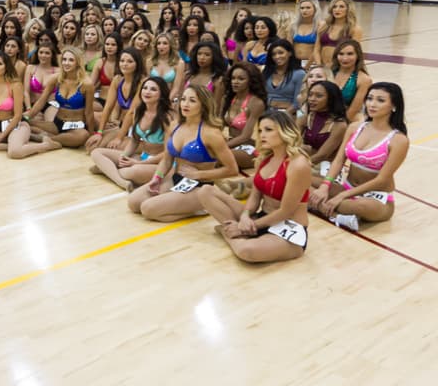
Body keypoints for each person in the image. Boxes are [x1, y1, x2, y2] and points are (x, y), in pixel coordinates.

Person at [199, 110, 311, 263]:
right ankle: (242, 232)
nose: (262, 135)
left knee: (247, 251)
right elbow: (255, 197)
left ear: (285, 131)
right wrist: (245, 215)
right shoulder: (265, 158)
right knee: (206, 191)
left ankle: (230, 233)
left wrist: (243, 227)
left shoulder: (298, 164)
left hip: (287, 226)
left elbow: (286, 211)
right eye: (260, 130)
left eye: (268, 130)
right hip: (261, 217)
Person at [128, 83, 240, 222]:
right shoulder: (174, 125)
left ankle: (202, 208)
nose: (185, 104)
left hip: (199, 187)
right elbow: (167, 159)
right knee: (133, 202)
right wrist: (157, 178)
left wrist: (199, 174)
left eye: (192, 101)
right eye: (183, 99)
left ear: (203, 105)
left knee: (148, 209)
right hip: (176, 178)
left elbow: (232, 170)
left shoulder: (211, 133)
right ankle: (178, 203)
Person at [310, 82, 409, 232]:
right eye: (369, 98)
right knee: (301, 181)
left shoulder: (399, 140)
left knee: (354, 205)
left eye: (380, 100)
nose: (372, 104)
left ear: (394, 106)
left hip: (375, 198)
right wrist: (325, 186)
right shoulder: (354, 127)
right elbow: (338, 160)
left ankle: (319, 207)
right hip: (347, 187)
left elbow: (381, 180)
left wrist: (343, 196)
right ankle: (336, 215)